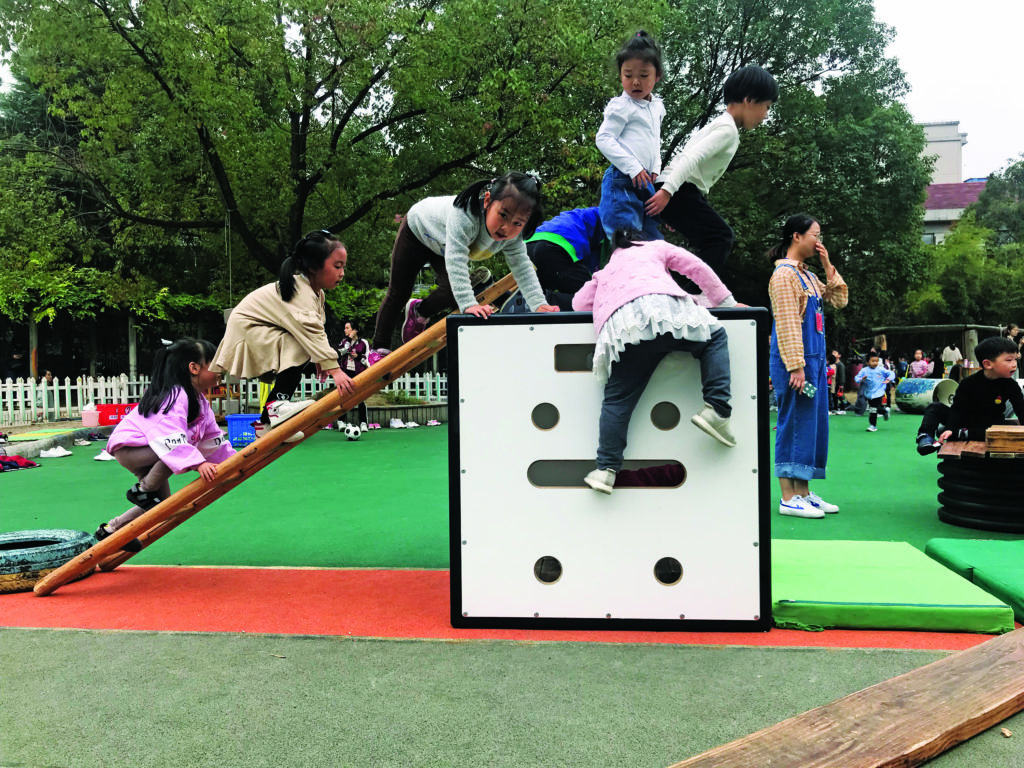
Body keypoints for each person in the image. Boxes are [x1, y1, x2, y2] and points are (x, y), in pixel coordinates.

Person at [573, 230, 738, 494]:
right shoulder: (656, 247)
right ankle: (717, 409)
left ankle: (605, 470)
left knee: (617, 398)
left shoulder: (605, 272)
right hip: (664, 311)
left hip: (626, 328)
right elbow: (696, 268)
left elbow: (579, 303)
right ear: (643, 238)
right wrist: (726, 302)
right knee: (714, 337)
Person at [372, 172, 559, 356]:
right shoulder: (465, 216)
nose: (506, 227)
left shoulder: (512, 238)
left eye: (518, 223)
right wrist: (469, 304)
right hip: (419, 230)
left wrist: (539, 304)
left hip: (443, 246)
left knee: (453, 290)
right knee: (399, 292)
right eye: (502, 215)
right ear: (487, 201)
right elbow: (456, 260)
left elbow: (523, 268)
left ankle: (418, 311)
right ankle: (378, 347)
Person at [95, 338, 236, 551]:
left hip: (153, 450)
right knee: (180, 443)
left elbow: (211, 437)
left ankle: (110, 530)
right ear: (194, 368)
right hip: (132, 449)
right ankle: (143, 489)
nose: (221, 369)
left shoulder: (200, 401)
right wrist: (199, 464)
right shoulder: (175, 396)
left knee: (164, 507)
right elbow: (170, 439)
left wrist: (233, 460)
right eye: (215, 364)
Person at [212, 230, 355, 439]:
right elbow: (311, 332)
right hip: (248, 330)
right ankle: (275, 407)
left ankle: (266, 423)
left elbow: (311, 331)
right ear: (314, 266)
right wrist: (334, 369)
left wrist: (319, 358)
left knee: (301, 345)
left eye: (343, 266)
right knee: (299, 345)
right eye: (337, 266)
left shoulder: (314, 292)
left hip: (257, 330)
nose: (342, 273)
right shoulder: (301, 291)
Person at [646, 65, 778, 278]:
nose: (766, 115)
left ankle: (681, 286)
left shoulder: (721, 124)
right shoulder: (727, 130)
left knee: (711, 238)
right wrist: (668, 193)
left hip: (683, 190)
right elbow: (691, 157)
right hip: (679, 188)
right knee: (721, 237)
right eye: (767, 106)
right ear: (749, 100)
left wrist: (674, 207)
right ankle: (692, 292)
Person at [767, 214, 848, 518]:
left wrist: (828, 266)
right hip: (795, 362)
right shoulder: (784, 276)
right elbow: (787, 323)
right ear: (796, 237)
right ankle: (788, 497)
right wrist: (795, 366)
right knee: (794, 423)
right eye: (815, 234)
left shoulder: (808, 276)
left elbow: (839, 299)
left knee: (812, 424)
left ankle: (804, 492)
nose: (819, 240)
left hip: (812, 361)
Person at [595, 31, 665, 242]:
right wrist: (633, 167)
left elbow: (654, 141)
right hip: (622, 180)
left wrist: (656, 168)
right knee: (628, 243)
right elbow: (604, 138)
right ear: (620, 75)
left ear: (656, 77)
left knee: (654, 244)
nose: (635, 82)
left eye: (643, 76)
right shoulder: (621, 106)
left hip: (646, 183)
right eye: (628, 75)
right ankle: (621, 274)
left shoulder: (657, 106)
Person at [916, 336, 1024, 455]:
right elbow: (957, 409)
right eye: (1009, 360)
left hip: (989, 424)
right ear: (988, 364)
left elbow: (1021, 409)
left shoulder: (1011, 385)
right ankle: (925, 437)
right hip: (965, 420)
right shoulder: (968, 384)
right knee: (935, 407)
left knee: (1001, 431)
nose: (1014, 364)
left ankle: (960, 433)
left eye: (1015, 359)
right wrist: (950, 428)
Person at [525, 207, 606, 311]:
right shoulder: (612, 220)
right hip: (555, 246)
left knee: (549, 288)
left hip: (530, 244)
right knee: (592, 298)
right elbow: (601, 266)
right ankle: (539, 302)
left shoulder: (587, 216)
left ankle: (533, 300)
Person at [336, 320, 370, 430]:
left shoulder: (363, 342)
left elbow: (367, 358)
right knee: (344, 396)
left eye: (347, 328)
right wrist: (349, 340)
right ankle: (341, 421)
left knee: (360, 396)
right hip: (346, 372)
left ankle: (363, 423)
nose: (345, 330)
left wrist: (358, 357)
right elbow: (340, 351)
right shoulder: (345, 341)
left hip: (359, 372)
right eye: (345, 328)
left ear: (354, 330)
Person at [854, 352, 895, 432]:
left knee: (873, 409)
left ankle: (873, 425)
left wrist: (888, 379)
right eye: (873, 361)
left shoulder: (881, 369)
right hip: (869, 393)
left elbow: (891, 373)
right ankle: (884, 411)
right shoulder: (864, 370)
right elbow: (856, 378)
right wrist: (861, 379)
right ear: (867, 362)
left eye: (876, 361)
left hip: (879, 392)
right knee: (877, 408)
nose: (875, 363)